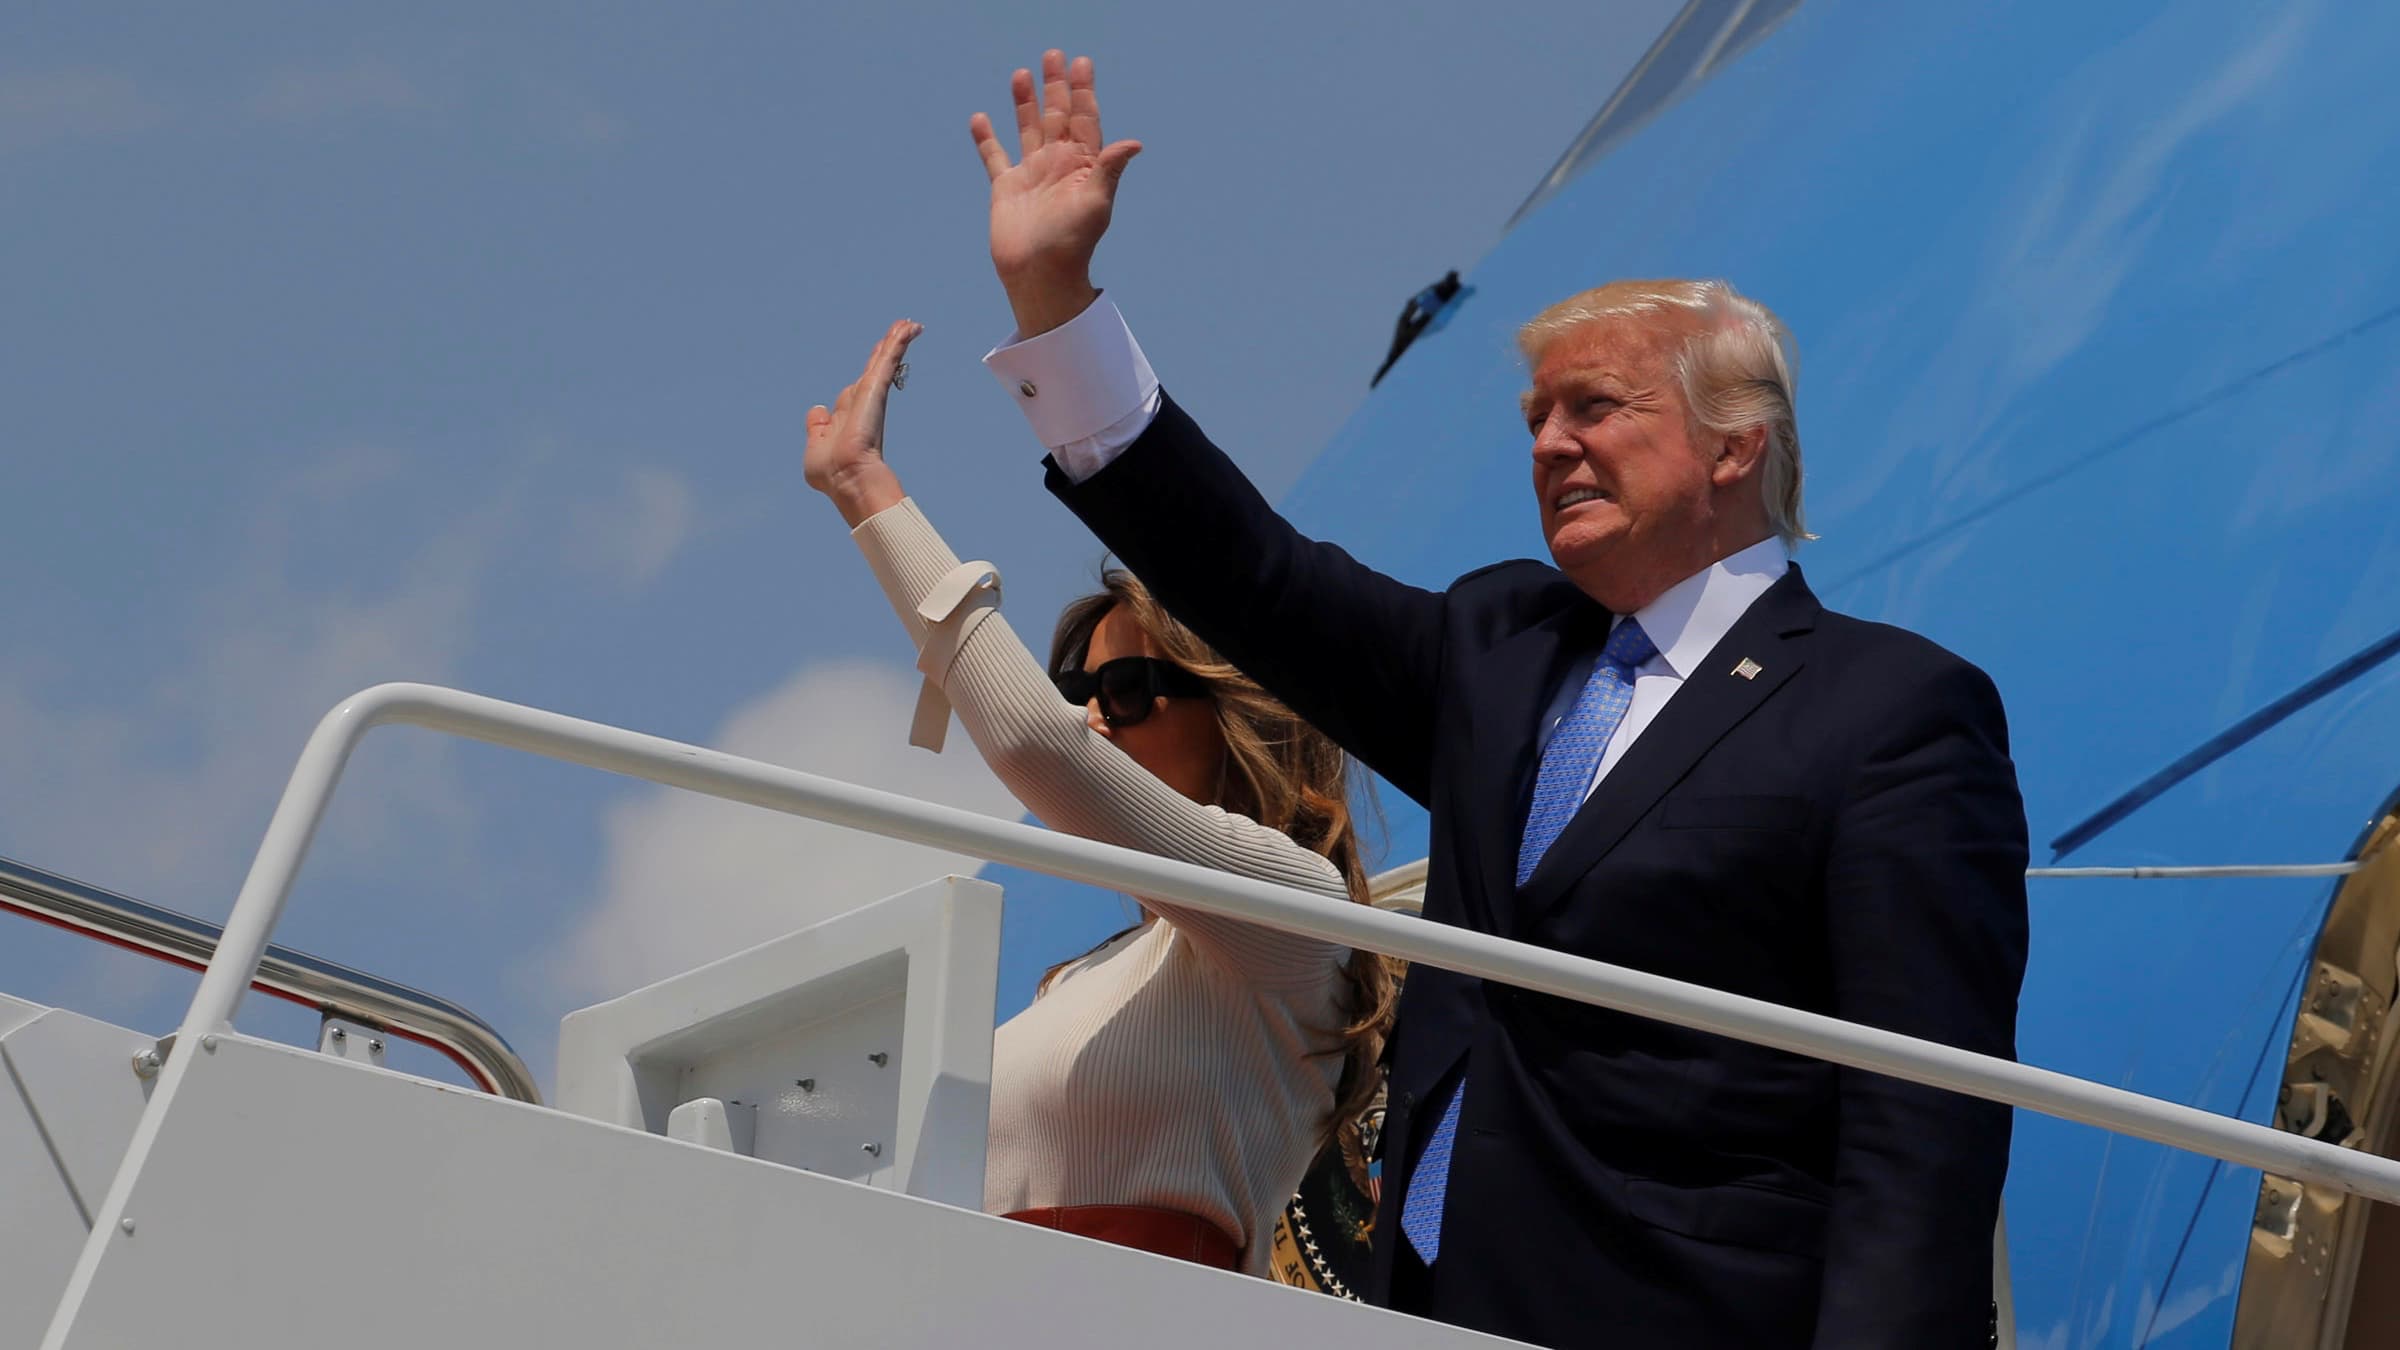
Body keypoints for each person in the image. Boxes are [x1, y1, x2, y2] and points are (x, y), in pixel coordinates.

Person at [959, 50, 2031, 1349]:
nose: (1548, 443)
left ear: (1736, 443)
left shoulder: (1890, 710)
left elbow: (1922, 1123)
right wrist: (1060, 302)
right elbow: (1249, 575)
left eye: (1595, 407)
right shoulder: (1501, 652)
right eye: (1534, 416)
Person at [800, 320, 1396, 1276]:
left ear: (1242, 714)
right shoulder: (1076, 982)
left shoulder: (1300, 914)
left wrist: (867, 491)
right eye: (1078, 693)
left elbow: (1037, 743)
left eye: (1126, 692)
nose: (1092, 722)